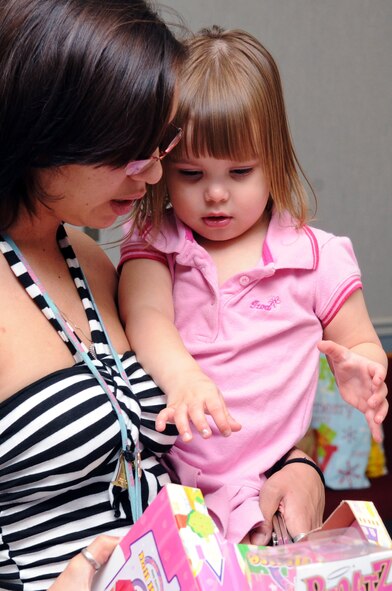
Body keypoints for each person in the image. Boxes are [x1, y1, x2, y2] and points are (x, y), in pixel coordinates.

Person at [0, 4, 325, 590]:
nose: (153, 177)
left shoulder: (95, 260)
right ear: (48, 132)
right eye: (131, 153)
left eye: (159, 148)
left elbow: (224, 391)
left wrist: (297, 465)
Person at [118, 25, 389, 544]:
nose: (215, 194)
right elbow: (145, 314)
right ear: (161, 168)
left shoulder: (316, 257)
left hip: (268, 487)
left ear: (276, 161)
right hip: (168, 490)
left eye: (239, 171)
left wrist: (367, 370)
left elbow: (360, 341)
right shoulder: (156, 241)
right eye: (191, 174)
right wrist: (185, 380)